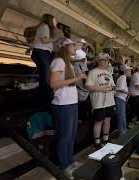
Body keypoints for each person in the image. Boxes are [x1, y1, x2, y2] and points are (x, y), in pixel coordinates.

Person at [49, 38, 86, 173]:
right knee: (65, 137)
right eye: (73, 45)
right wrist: (77, 78)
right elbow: (53, 83)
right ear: (65, 47)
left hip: (71, 104)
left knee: (71, 135)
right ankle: (64, 165)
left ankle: (70, 162)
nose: (76, 48)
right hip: (63, 105)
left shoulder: (67, 63)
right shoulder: (58, 62)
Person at [86, 53, 115, 150]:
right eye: (104, 60)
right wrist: (101, 89)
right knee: (99, 121)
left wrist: (110, 88)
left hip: (109, 100)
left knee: (107, 120)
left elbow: (113, 85)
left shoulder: (109, 72)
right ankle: (97, 143)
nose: (106, 62)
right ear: (99, 60)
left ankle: (106, 139)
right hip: (98, 101)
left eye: (107, 60)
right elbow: (88, 86)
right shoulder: (93, 72)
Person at [32, 14, 59, 105]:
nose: (56, 22)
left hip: (41, 52)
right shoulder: (45, 26)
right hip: (42, 52)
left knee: (44, 77)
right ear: (50, 20)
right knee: (46, 77)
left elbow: (37, 41)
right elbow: (44, 40)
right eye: (55, 20)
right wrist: (55, 39)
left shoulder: (43, 27)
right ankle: (45, 99)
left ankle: (42, 99)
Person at [115, 64, 132, 136]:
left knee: (122, 116)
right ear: (125, 71)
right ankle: (122, 133)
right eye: (129, 70)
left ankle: (122, 131)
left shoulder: (123, 77)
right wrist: (128, 92)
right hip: (120, 98)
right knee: (121, 116)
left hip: (121, 98)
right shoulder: (122, 78)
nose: (130, 71)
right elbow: (120, 89)